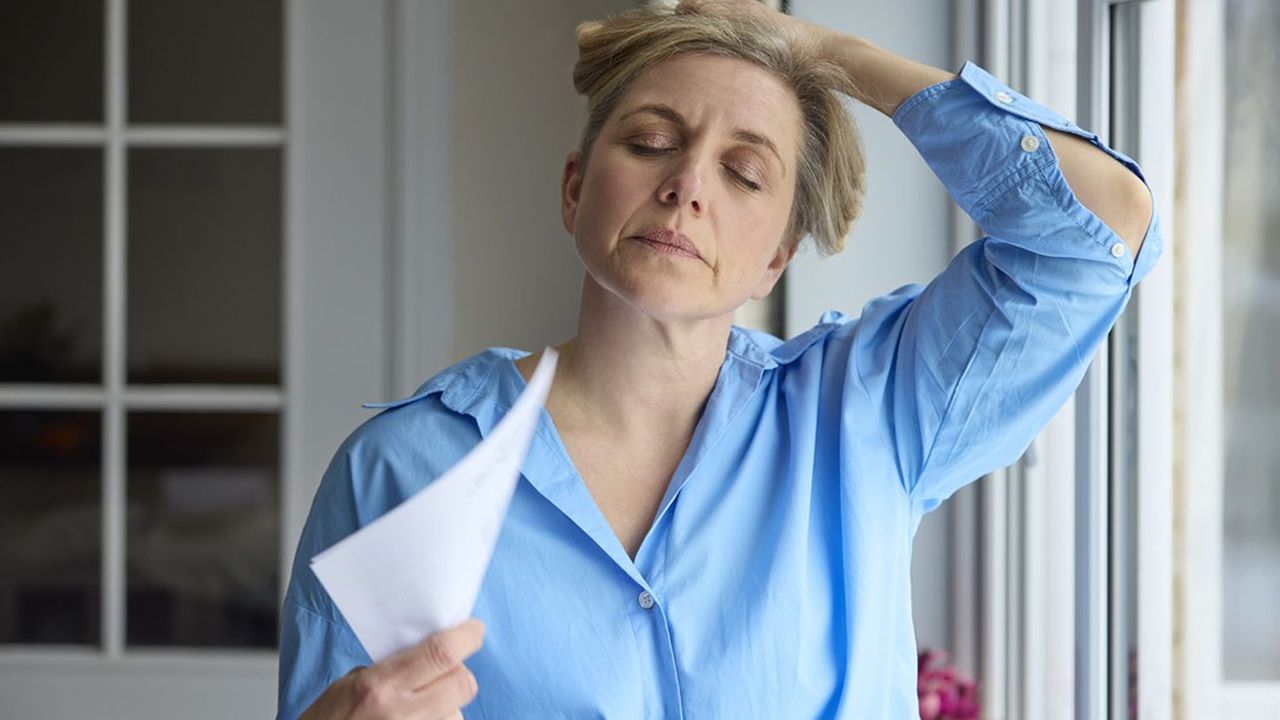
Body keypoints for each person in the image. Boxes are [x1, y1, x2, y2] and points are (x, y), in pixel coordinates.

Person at [277, 0, 1162, 717]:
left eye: (744, 173)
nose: (688, 184)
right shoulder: (401, 471)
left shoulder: (869, 414)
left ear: (779, 254)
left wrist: (825, 51)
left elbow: (1101, 231)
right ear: (576, 187)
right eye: (653, 142)